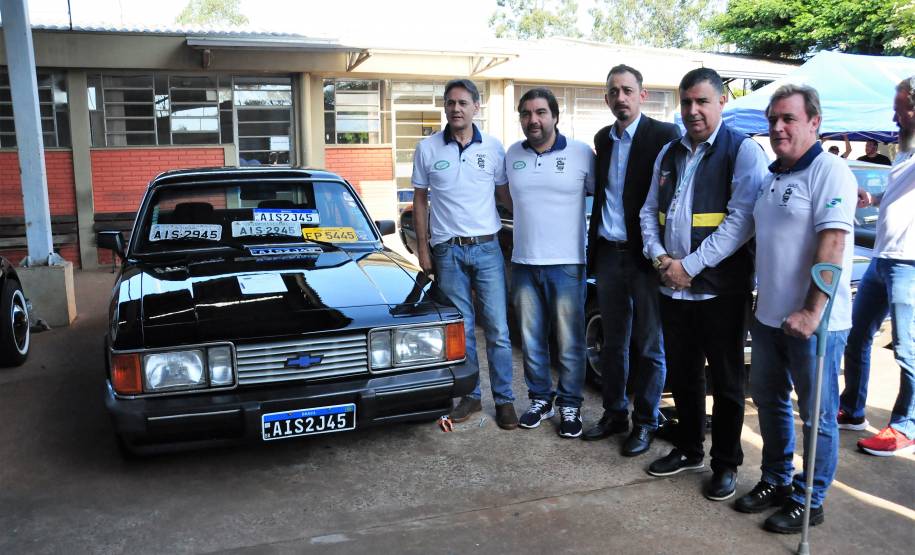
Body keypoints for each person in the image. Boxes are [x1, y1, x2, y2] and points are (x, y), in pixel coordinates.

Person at [640, 68, 769, 501]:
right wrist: (660, 258)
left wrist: (688, 266)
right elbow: (648, 211)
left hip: (720, 291)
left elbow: (741, 222)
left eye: (702, 102)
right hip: (672, 288)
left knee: (729, 382)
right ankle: (689, 448)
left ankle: (726, 463)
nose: (693, 110)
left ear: (721, 103)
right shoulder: (670, 152)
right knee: (684, 374)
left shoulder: (742, 151)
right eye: (687, 102)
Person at [734, 84, 856, 533]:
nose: (778, 127)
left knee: (817, 415)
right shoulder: (772, 176)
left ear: (814, 123)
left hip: (815, 323)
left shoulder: (830, 171)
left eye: (788, 118)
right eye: (773, 120)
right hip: (769, 317)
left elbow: (834, 244)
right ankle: (776, 479)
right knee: (768, 401)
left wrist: (811, 311)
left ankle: (811, 497)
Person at [581, 65, 680, 456]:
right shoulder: (603, 139)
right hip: (608, 254)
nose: (620, 97)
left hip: (645, 257)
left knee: (651, 344)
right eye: (613, 92)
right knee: (613, 342)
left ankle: (646, 421)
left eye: (627, 90)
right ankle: (614, 414)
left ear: (643, 94)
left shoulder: (664, 136)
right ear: (606, 99)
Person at [411, 79, 517, 429]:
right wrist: (424, 250)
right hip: (448, 252)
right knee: (463, 330)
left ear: (476, 107)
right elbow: (421, 201)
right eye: (450, 102)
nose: (456, 108)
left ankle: (504, 400)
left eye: (463, 102)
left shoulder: (494, 148)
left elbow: (506, 196)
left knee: (499, 329)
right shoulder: (427, 149)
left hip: (487, 248)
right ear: (445, 107)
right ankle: (470, 396)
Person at [505, 87, 595, 437]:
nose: (533, 120)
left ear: (555, 116)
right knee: (531, 338)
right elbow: (505, 194)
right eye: (526, 114)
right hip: (525, 262)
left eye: (541, 112)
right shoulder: (513, 155)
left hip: (568, 263)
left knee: (569, 340)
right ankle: (540, 399)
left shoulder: (581, 154)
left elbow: (598, 196)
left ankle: (570, 404)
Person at [840, 76, 915, 457]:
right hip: (883, 258)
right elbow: (901, 194)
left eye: (900, 108)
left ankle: (905, 426)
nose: (895, 116)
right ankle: (852, 409)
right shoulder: (905, 152)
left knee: (907, 350)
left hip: (909, 263)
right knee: (857, 336)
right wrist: (873, 196)